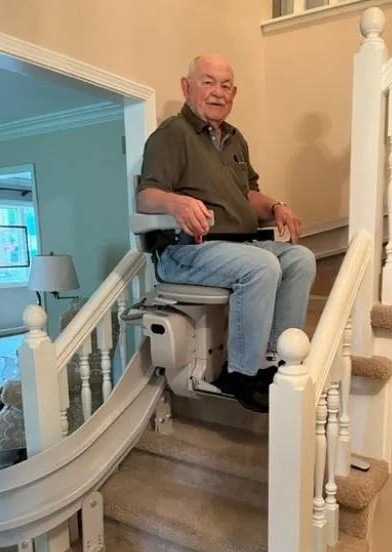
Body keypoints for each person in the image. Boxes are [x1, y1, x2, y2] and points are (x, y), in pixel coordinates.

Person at [135, 53, 317, 413]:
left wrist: (277, 206)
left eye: (226, 86)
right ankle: (242, 373)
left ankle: (276, 360)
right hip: (185, 251)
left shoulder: (235, 139)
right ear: (187, 87)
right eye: (208, 83)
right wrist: (175, 203)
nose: (218, 93)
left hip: (239, 244)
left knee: (300, 258)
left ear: (234, 93)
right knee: (261, 266)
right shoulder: (171, 135)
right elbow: (146, 195)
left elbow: (249, 194)